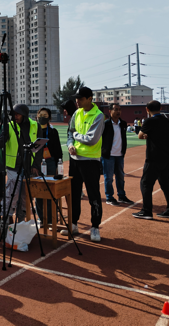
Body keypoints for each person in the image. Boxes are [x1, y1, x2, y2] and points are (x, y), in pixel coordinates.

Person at [65, 87, 105, 243]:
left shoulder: (99, 116)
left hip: (90, 161)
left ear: (90, 98)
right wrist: (70, 145)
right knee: (73, 194)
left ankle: (95, 227)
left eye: (80, 98)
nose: (77, 101)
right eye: (76, 98)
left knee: (93, 196)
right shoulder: (77, 113)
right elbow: (70, 133)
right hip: (75, 161)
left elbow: (91, 140)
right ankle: (73, 224)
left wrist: (75, 135)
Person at [133, 100, 169, 220]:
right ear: (160, 108)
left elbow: (140, 135)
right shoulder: (166, 121)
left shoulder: (149, 121)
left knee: (146, 184)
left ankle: (146, 211)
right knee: (166, 185)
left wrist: (145, 135)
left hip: (154, 158)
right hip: (166, 157)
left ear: (147, 110)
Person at [1, 104, 41, 228]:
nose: (15, 116)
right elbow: (2, 141)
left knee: (25, 196)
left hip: (29, 167)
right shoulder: (9, 126)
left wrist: (36, 165)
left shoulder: (35, 125)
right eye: (13, 114)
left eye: (17, 114)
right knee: (12, 193)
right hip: (14, 167)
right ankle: (6, 219)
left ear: (24, 115)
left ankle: (21, 222)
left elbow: (39, 148)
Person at [34, 107, 63, 225]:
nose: (42, 117)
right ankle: (41, 218)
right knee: (38, 191)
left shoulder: (53, 132)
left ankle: (51, 219)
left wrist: (58, 166)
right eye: (40, 115)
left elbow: (58, 151)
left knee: (50, 191)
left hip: (50, 162)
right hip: (37, 163)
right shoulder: (34, 130)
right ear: (37, 116)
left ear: (49, 118)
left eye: (45, 115)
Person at [101, 104, 133, 206]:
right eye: (115, 110)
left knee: (120, 177)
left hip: (119, 155)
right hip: (108, 155)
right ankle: (109, 197)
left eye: (119, 110)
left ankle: (121, 196)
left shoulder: (123, 124)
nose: (118, 111)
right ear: (110, 111)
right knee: (109, 177)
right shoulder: (105, 124)